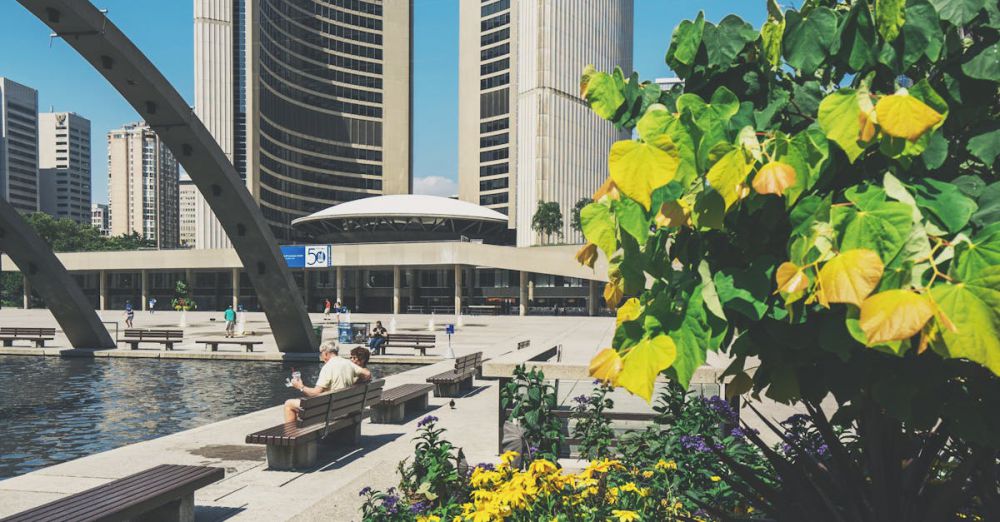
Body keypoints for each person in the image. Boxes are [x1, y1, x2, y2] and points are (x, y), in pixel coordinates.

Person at [285, 342, 372, 423]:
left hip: (331, 412)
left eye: (321, 354)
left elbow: (315, 393)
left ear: (326, 353)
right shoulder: (348, 363)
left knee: (289, 404)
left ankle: (289, 437)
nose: (321, 357)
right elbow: (367, 374)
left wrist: (300, 386)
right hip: (346, 408)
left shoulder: (327, 367)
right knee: (300, 407)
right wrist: (354, 384)